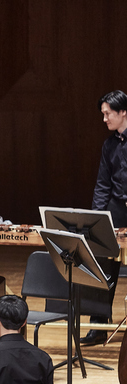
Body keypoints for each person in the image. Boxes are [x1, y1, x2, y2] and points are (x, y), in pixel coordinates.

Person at [83, 90, 127, 345]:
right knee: (99, 263)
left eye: (108, 113)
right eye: (103, 113)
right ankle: (98, 325)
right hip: (117, 209)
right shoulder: (109, 145)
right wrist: (97, 221)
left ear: (123, 112)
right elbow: (102, 185)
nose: (104, 118)